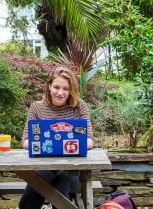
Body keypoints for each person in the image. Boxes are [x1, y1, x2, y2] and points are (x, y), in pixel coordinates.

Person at [19, 66, 94, 209]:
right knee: (38, 182)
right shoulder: (37, 108)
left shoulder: (79, 107)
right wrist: (50, 147)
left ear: (71, 89)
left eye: (65, 89)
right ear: (49, 87)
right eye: (56, 87)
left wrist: (66, 146)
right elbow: (26, 142)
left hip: (72, 169)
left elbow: (89, 140)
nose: (60, 93)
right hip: (43, 167)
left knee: (62, 180)